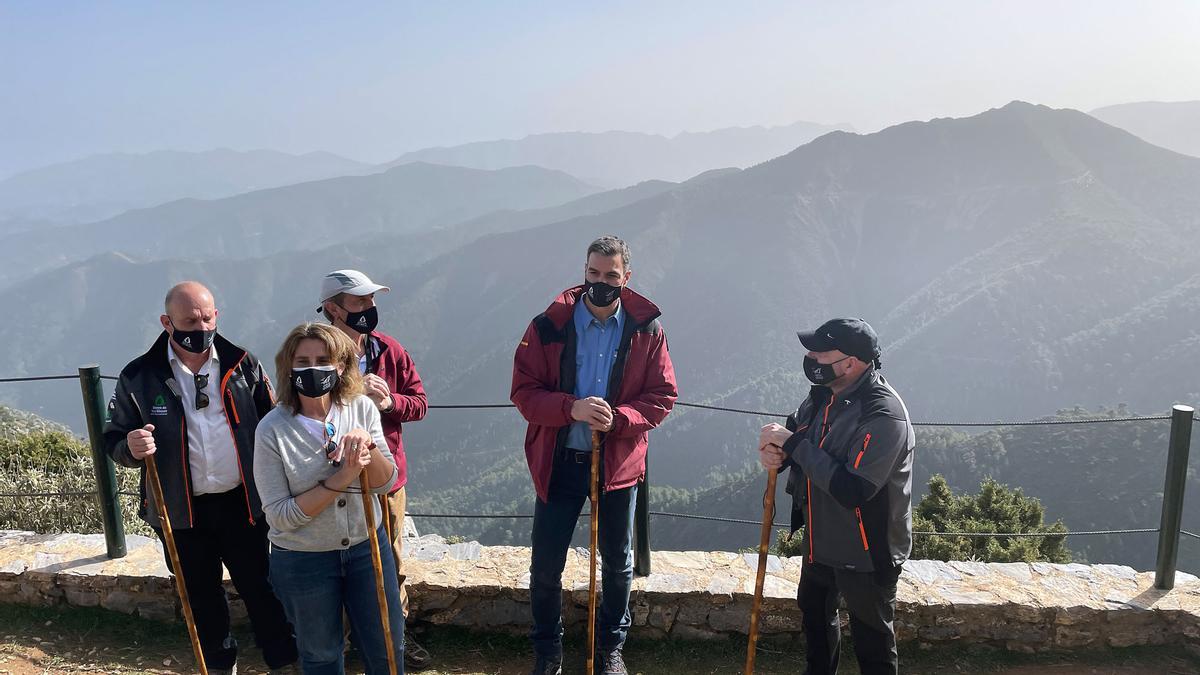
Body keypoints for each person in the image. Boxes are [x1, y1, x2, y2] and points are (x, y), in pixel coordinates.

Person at [103, 281, 298, 675]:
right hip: (179, 511)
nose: (201, 326)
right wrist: (130, 446)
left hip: (243, 502)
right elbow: (112, 438)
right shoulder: (139, 377)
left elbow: (274, 421)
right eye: (190, 320)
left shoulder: (243, 364)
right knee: (200, 595)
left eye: (207, 317)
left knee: (262, 586)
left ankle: (284, 660)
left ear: (217, 315)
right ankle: (220, 664)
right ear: (167, 322)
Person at [511, 236, 677, 675]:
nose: (600, 283)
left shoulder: (647, 330)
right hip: (560, 461)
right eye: (592, 274)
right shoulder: (548, 326)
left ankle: (610, 650)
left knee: (618, 565)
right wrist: (571, 409)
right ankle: (548, 652)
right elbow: (524, 393)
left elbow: (662, 396)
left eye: (610, 276)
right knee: (545, 565)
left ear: (626, 277)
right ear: (583, 270)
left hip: (618, 466)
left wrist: (619, 419)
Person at [757, 318, 915, 675]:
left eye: (821, 352)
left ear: (852, 362)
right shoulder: (823, 395)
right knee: (815, 620)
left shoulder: (884, 415)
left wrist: (793, 445)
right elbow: (797, 431)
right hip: (820, 539)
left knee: (872, 642)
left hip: (867, 550)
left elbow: (854, 489)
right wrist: (777, 455)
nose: (812, 357)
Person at [253, 322, 405, 674]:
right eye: (303, 360)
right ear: (288, 367)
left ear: (341, 365)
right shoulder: (272, 430)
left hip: (367, 548)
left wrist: (368, 447)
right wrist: (344, 476)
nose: (313, 368)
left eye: (323, 359)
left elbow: (385, 482)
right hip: (304, 559)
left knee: (387, 647)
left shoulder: (361, 410)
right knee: (320, 655)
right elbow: (280, 516)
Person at [318, 269, 430, 670]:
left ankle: (393, 635)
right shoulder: (313, 355)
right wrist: (349, 394)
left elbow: (419, 403)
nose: (369, 308)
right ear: (332, 308)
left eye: (371, 301)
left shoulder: (389, 350)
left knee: (391, 563)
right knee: (338, 563)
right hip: (334, 482)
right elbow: (294, 406)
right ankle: (341, 641)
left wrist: (388, 404)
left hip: (386, 481)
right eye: (359, 302)